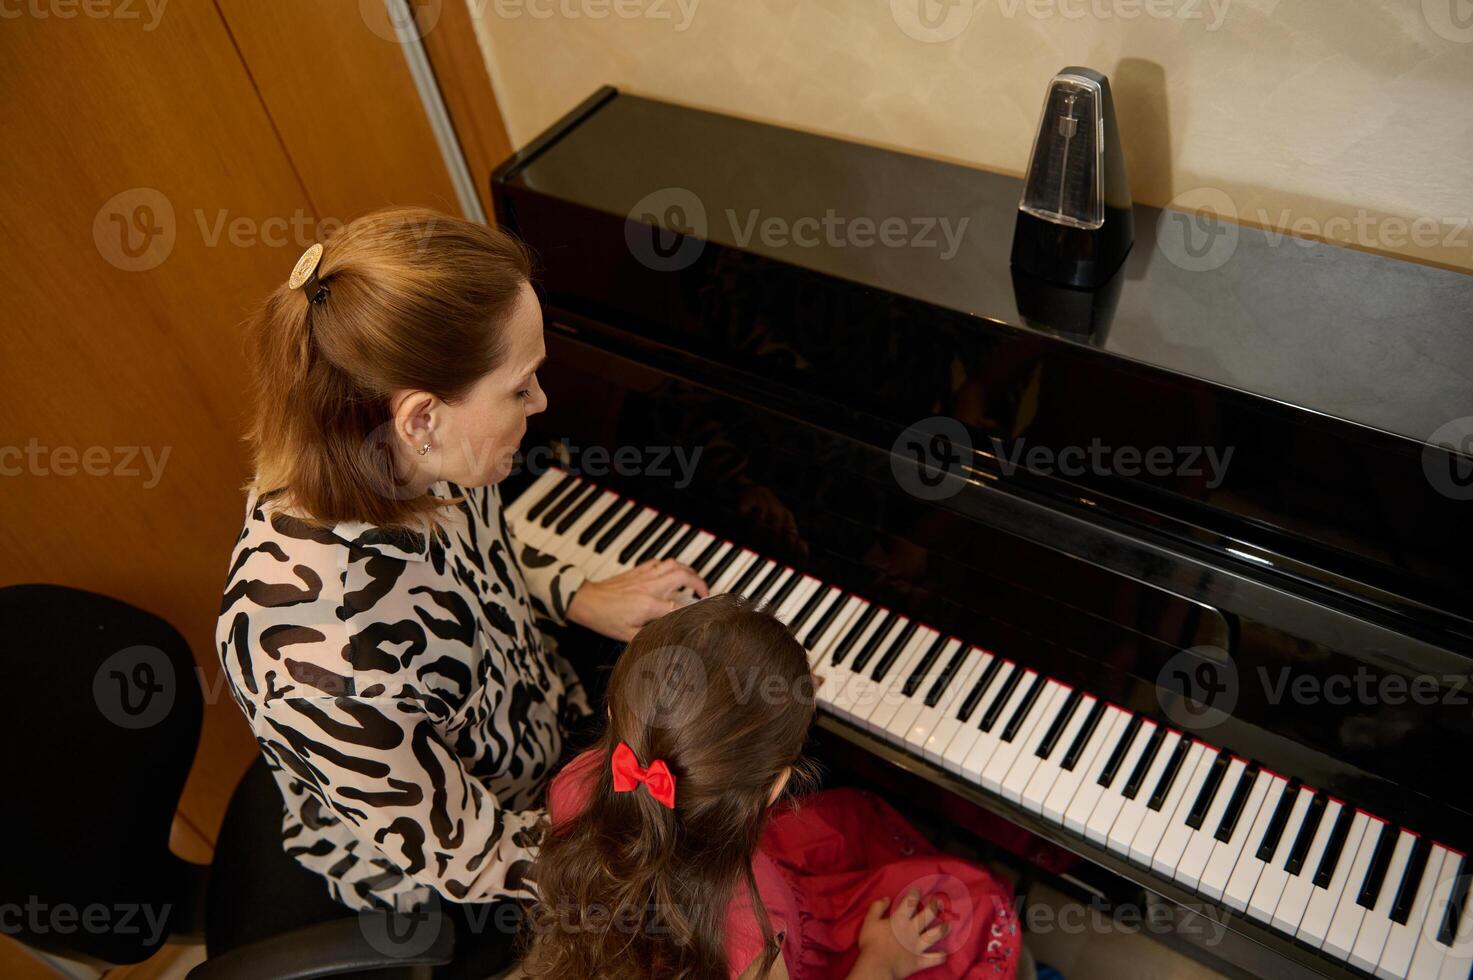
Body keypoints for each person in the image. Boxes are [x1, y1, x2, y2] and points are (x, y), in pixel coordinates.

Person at [215, 207, 707, 937]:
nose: (541, 402)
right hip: (476, 862)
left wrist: (575, 594)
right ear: (421, 418)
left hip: (542, 730)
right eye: (520, 387)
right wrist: (664, 856)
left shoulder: (424, 456)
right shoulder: (316, 657)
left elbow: (485, 560)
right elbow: (467, 854)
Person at [528, 593, 1023, 979]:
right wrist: (883, 962)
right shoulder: (746, 944)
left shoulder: (578, 781)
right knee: (975, 906)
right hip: (783, 932)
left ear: (617, 714)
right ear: (775, 788)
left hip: (712, 879)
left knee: (851, 820)